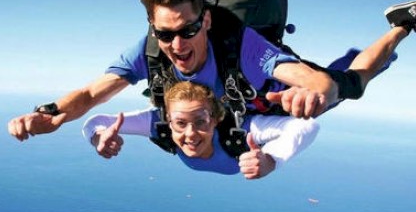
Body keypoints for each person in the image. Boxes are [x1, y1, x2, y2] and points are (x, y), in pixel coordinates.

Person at [7, 0, 415, 141]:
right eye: (165, 34)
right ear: (153, 29)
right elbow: (92, 93)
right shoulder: (148, 50)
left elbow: (316, 83)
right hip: (228, 103)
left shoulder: (244, 44)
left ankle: (401, 25)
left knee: (353, 81)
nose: (177, 45)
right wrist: (51, 113)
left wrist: (314, 94)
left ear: (204, 22)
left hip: (268, 92)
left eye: (187, 30)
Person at [82, 81, 320, 179]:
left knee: (331, 90)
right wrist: (98, 138)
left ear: (216, 119)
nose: (190, 134)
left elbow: (308, 124)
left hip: (283, 95)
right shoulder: (159, 124)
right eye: (180, 123)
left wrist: (270, 160)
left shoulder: (239, 130)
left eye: (200, 122)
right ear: (169, 119)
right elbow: (95, 122)